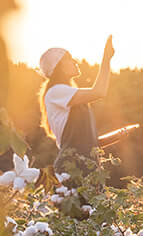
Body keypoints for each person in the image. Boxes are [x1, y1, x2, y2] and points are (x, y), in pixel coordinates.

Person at [38, 35, 115, 173]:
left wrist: (112, 137)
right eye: (70, 59)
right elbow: (99, 91)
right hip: (73, 167)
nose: (75, 62)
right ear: (58, 65)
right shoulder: (56, 91)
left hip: (87, 166)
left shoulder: (69, 95)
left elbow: (83, 142)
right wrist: (106, 58)